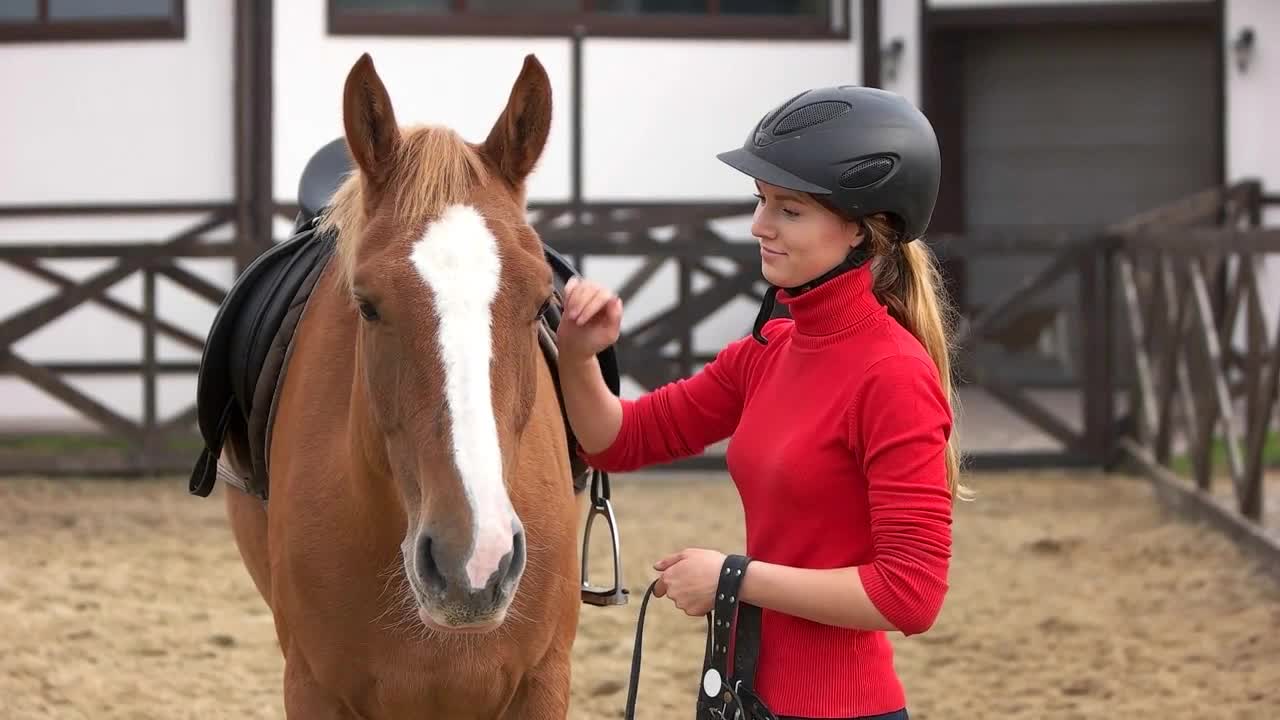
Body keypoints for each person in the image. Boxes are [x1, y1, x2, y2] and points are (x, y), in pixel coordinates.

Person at [555, 85, 966, 720]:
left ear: (863, 229)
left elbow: (909, 596)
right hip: (748, 697)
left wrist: (732, 577)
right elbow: (618, 440)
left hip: (841, 710)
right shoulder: (769, 346)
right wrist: (579, 354)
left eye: (789, 210)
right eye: (761, 201)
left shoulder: (893, 376)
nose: (759, 226)